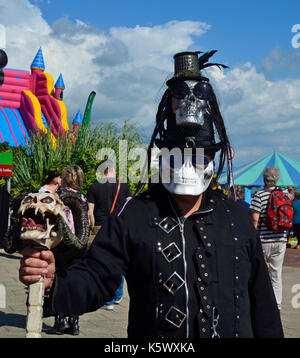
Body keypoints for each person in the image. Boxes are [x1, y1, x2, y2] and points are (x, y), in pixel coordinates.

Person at [19, 51, 283, 338]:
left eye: (197, 156)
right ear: (163, 155)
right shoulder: (136, 216)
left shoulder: (237, 219)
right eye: (179, 154)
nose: (187, 164)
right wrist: (53, 281)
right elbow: (97, 277)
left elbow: (263, 306)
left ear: (211, 157)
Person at [46, 164, 89, 335]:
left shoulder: (58, 196)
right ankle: (75, 322)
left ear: (64, 179)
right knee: (75, 282)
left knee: (59, 281)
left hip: (62, 244)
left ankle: (60, 319)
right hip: (79, 245)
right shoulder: (83, 198)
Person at [87, 159, 132, 310]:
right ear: (112, 169)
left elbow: (90, 213)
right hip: (118, 227)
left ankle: (106, 297)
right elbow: (129, 205)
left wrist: (91, 227)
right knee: (118, 260)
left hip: (99, 226)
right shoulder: (123, 185)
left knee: (100, 261)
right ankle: (117, 295)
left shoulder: (94, 186)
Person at [250, 167, 287, 310]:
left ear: (264, 179)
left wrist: (253, 239)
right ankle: (277, 305)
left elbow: (254, 219)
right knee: (276, 274)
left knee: (260, 272)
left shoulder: (259, 195)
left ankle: (262, 304)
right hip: (281, 239)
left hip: (264, 240)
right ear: (277, 179)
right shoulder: (284, 194)